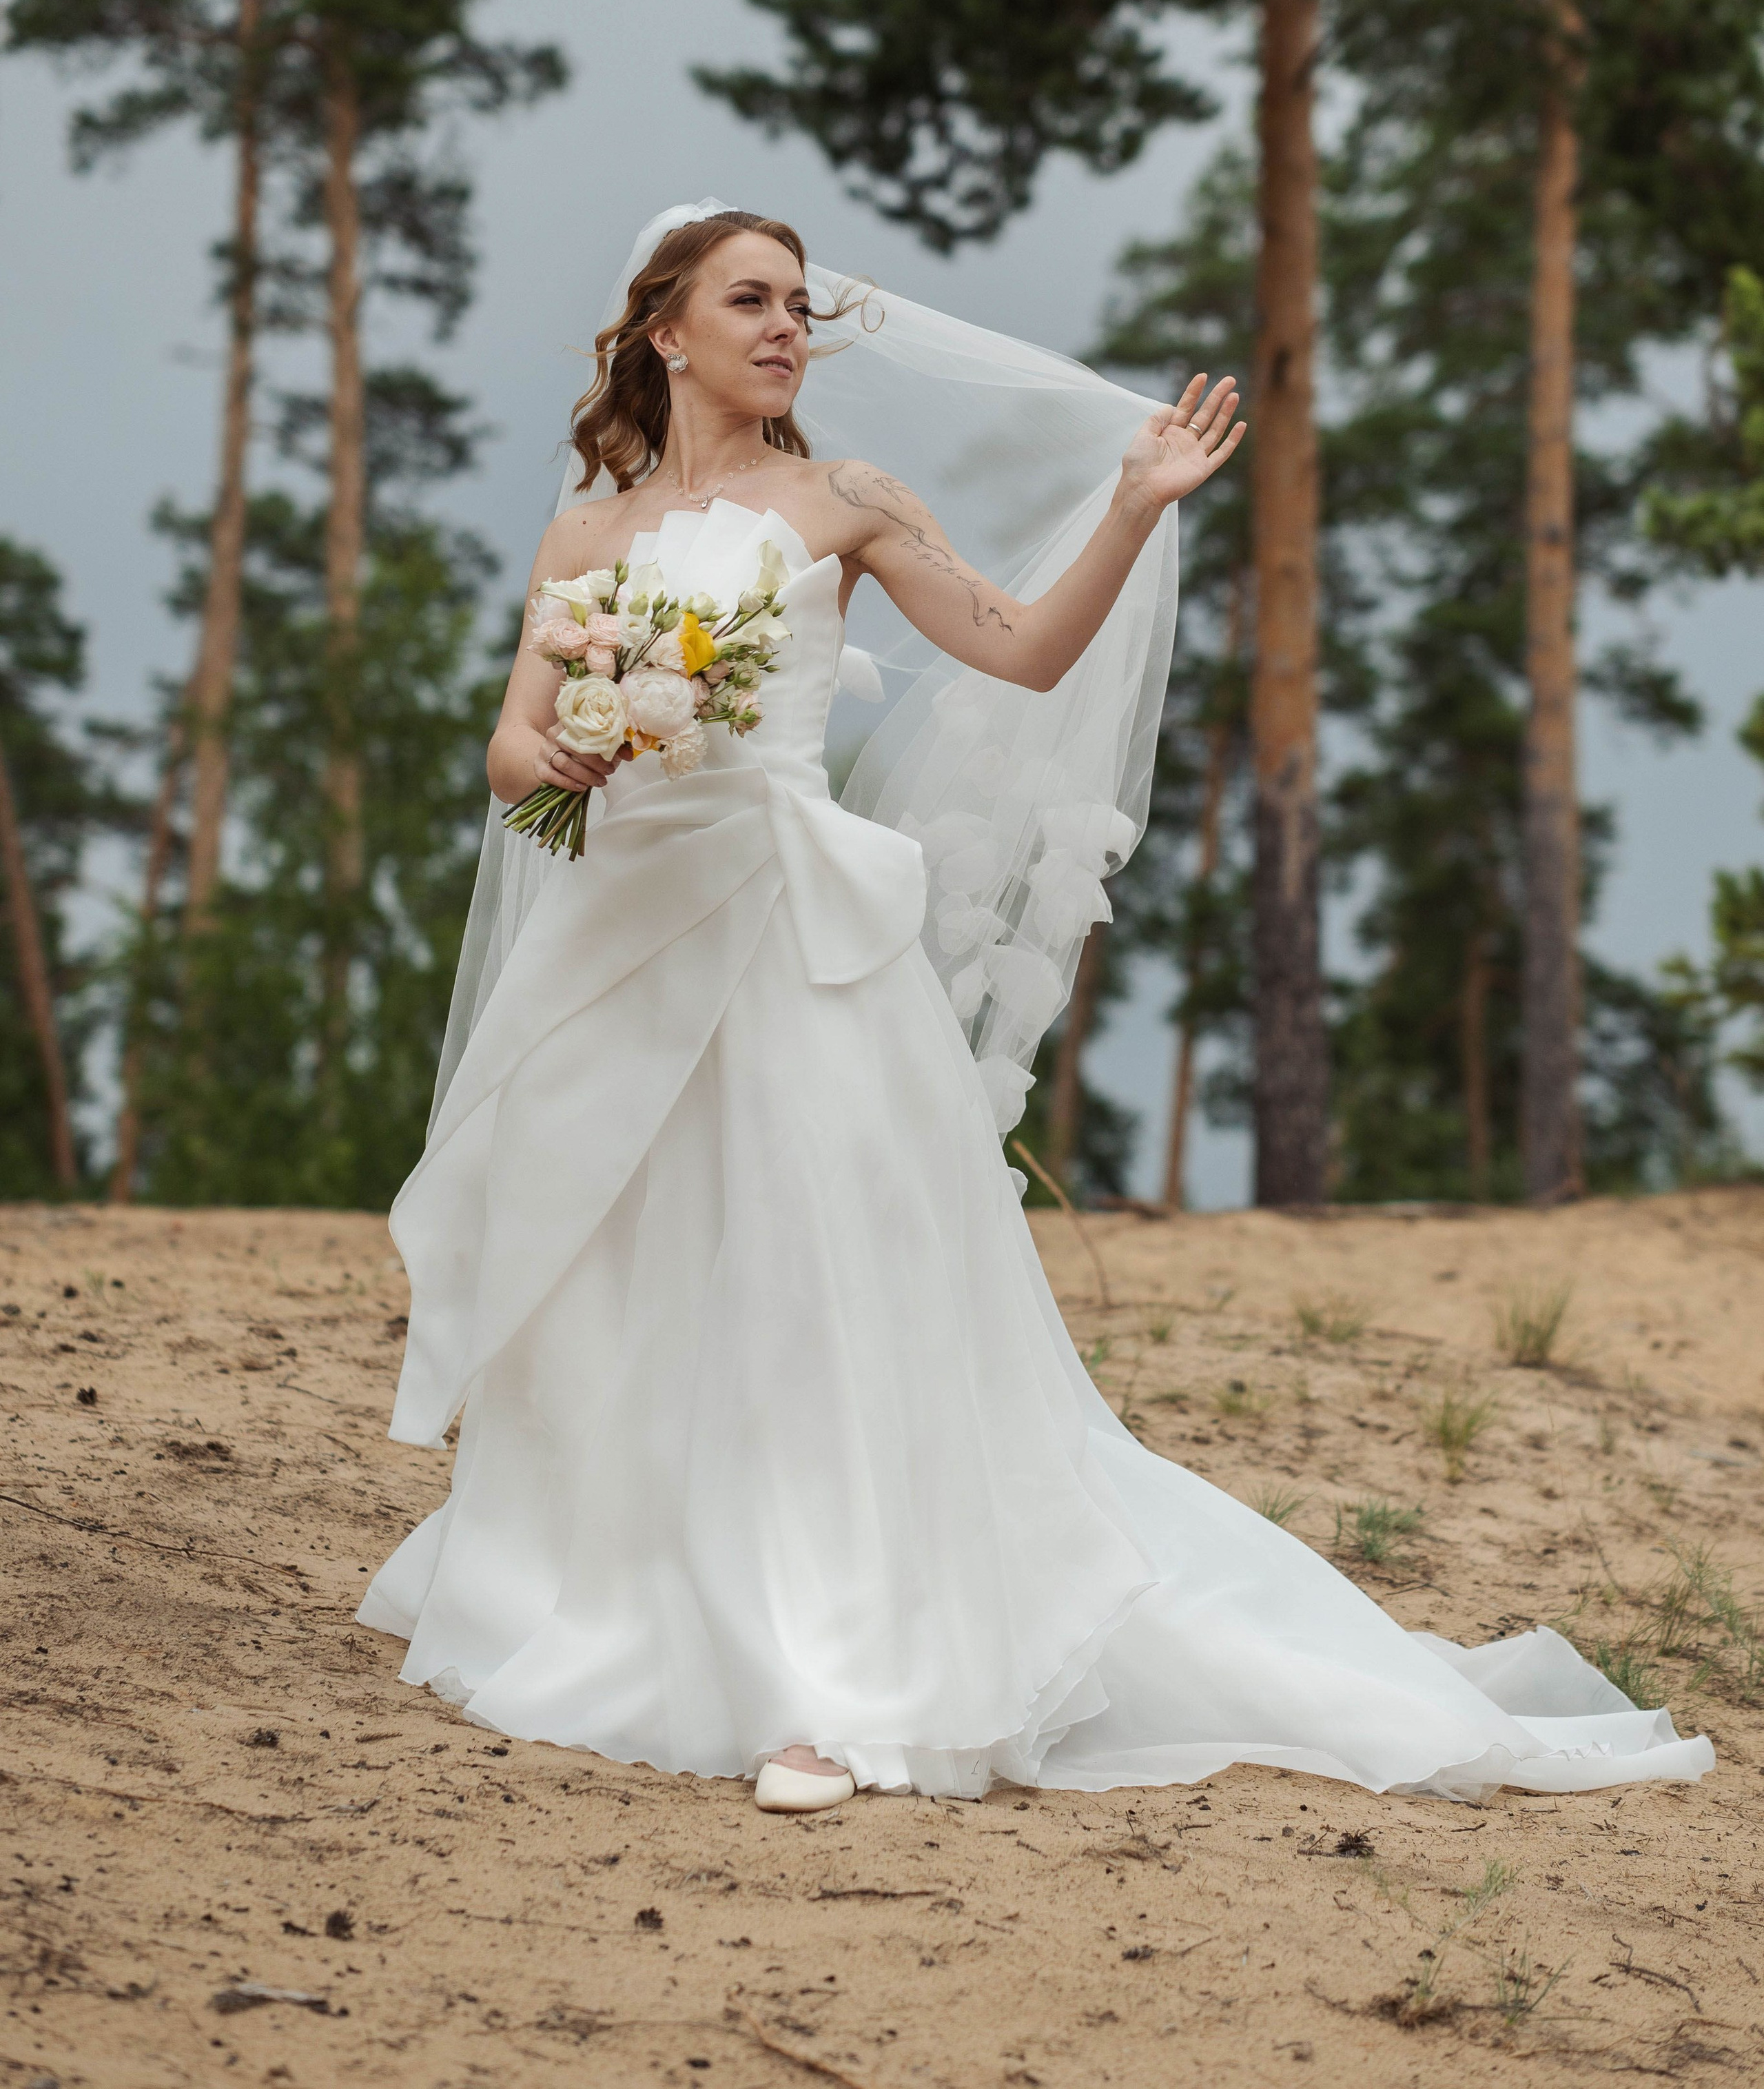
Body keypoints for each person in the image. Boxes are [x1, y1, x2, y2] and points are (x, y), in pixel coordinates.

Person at [359, 204, 1712, 1815]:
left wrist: (1135, 508)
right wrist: (563, 753)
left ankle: (832, 1675)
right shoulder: (587, 538)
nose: (788, 326)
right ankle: (621, 1595)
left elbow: (1018, 651)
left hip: (798, 939)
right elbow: (512, 747)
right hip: (631, 935)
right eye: (750, 299)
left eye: (799, 303)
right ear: (666, 330)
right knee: (626, 1274)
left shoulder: (846, 502)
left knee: (816, 1288)